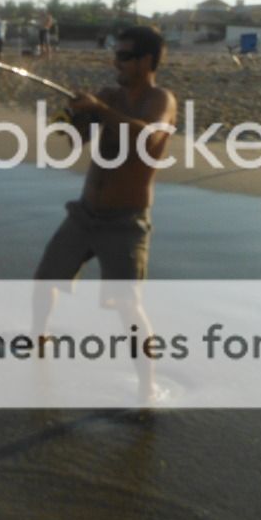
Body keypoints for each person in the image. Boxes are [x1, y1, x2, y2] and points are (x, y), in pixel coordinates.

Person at [32, 26, 177, 402]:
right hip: (85, 213)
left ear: (146, 61)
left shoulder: (161, 100)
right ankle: (38, 340)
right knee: (44, 279)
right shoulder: (109, 96)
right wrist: (70, 116)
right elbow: (72, 139)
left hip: (126, 222)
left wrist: (99, 110)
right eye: (116, 55)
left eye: (125, 56)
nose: (116, 63)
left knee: (127, 306)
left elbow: (148, 138)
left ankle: (147, 389)